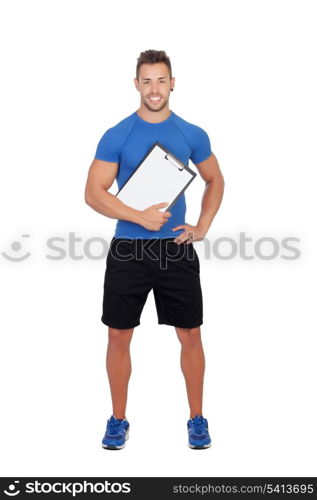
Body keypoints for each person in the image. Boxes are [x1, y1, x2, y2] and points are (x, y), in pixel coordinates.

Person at [84, 50, 225, 450]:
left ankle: (197, 419)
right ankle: (117, 420)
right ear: (136, 85)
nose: (154, 88)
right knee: (117, 336)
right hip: (128, 249)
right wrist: (137, 216)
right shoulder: (117, 135)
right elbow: (93, 193)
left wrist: (201, 227)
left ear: (172, 83)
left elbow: (215, 181)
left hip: (176, 250)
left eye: (161, 80)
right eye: (146, 81)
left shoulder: (191, 134)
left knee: (191, 335)